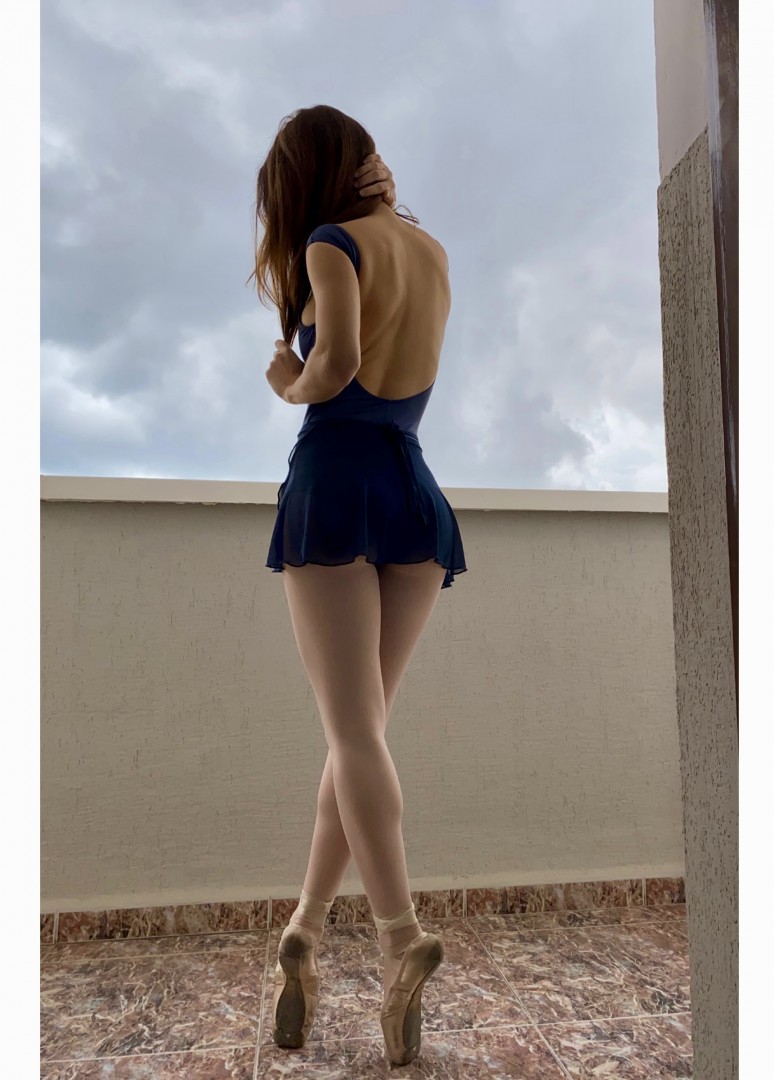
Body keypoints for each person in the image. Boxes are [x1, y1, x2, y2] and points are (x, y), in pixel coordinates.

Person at [248, 105, 467, 1067]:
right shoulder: (431, 251)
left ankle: (398, 936)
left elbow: (334, 366)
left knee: (353, 733)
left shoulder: (329, 245)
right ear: (358, 161)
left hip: (337, 483)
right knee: (362, 733)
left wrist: (285, 380)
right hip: (412, 488)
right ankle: (302, 931)